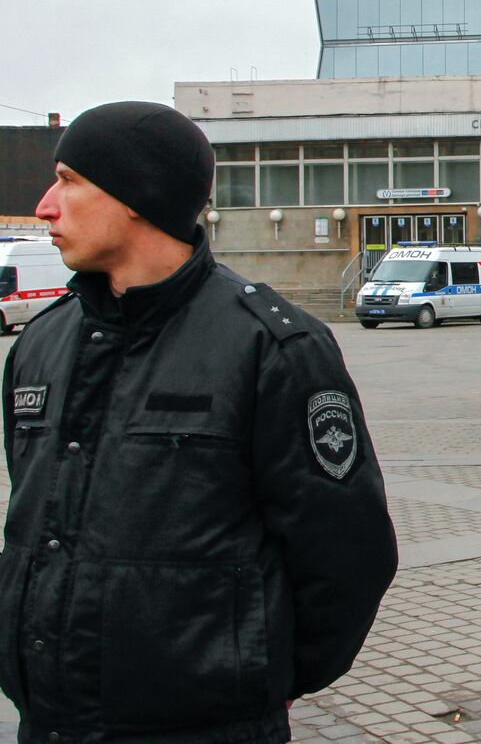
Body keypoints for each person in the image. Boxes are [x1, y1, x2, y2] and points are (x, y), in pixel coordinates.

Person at [0, 101, 398, 744]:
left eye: (70, 180)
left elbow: (346, 554)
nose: (46, 204)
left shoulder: (273, 347)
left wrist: (259, 677)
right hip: (50, 723)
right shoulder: (40, 345)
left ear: (137, 196)